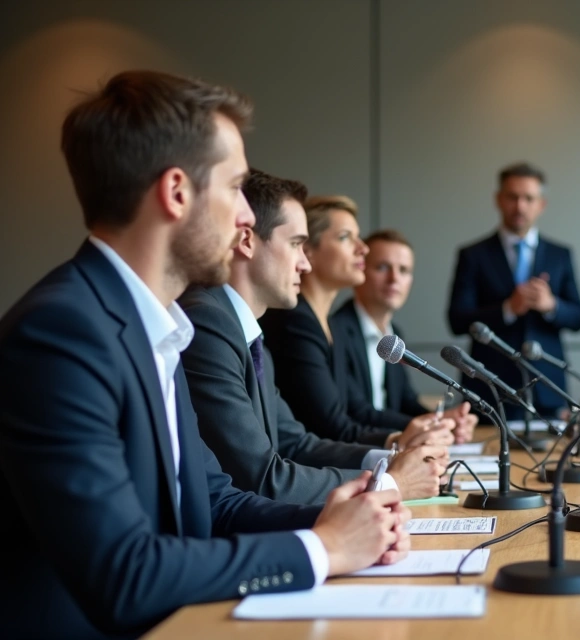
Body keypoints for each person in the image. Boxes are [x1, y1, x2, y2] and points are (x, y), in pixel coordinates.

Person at [0, 70, 407, 638]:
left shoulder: (157, 325)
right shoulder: (61, 335)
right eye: (235, 185)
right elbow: (125, 575)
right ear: (175, 193)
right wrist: (323, 549)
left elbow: (211, 503)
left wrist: (339, 515)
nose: (246, 216)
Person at [181, 170, 446, 504]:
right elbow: (261, 478)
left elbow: (296, 444)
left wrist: (391, 461)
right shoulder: (209, 323)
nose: (304, 264)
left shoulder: (246, 331)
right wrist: (389, 483)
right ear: (247, 241)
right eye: (295, 245)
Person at [260, 195, 457, 447]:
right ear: (307, 250)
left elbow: (355, 409)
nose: (362, 248)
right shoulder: (296, 322)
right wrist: (400, 439)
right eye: (345, 237)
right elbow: (331, 427)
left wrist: (429, 425)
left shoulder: (329, 326)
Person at [447, 162, 580, 418]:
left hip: (549, 387)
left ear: (541, 204)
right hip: (490, 385)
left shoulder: (560, 255)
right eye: (513, 197)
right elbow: (456, 319)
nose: (520, 206)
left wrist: (551, 306)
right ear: (498, 200)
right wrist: (507, 309)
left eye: (528, 198)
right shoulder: (473, 255)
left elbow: (579, 317)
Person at [331, 228, 477, 442]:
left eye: (404, 270)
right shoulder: (337, 331)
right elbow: (357, 411)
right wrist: (431, 423)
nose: (394, 278)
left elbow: (406, 401)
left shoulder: (394, 335)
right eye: (382, 267)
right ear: (360, 269)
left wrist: (445, 421)